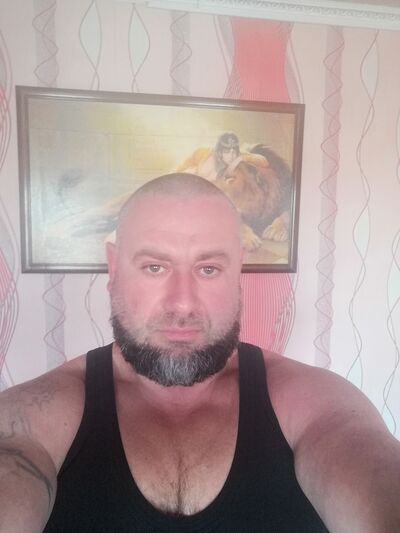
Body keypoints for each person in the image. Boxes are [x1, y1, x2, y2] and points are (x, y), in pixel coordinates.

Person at [0, 173, 399, 533]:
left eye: (208, 269)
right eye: (155, 267)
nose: (183, 303)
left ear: (238, 270)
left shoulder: (317, 405)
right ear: (114, 268)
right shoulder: (36, 418)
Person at [177, 131, 268, 181]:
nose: (231, 156)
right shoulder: (201, 152)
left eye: (234, 152)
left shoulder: (239, 155)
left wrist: (241, 158)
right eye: (227, 152)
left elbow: (264, 161)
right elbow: (178, 170)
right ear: (220, 152)